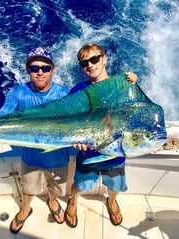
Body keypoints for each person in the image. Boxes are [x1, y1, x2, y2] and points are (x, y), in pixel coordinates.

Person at [0, 46, 70, 234]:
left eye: (45, 68)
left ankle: (52, 202)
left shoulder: (64, 94)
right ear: (28, 70)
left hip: (59, 158)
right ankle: (25, 209)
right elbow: (3, 114)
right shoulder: (18, 92)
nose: (40, 72)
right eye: (34, 68)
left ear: (52, 70)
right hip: (30, 158)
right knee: (29, 189)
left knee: (56, 189)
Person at [64, 43, 138, 228]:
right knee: (81, 186)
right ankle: (73, 200)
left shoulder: (123, 85)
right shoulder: (78, 89)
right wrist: (75, 138)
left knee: (114, 187)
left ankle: (111, 202)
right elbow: (69, 120)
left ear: (104, 59)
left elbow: (134, 112)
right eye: (84, 63)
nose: (90, 64)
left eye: (94, 59)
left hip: (116, 155)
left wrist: (134, 85)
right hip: (88, 154)